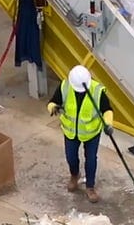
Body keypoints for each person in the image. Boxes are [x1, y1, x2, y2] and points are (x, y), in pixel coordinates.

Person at [47, 65, 114, 203]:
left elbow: (107, 110)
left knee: (91, 159)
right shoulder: (65, 86)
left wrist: (108, 124)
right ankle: (74, 175)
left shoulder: (97, 91)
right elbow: (53, 101)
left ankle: (90, 186)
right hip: (70, 132)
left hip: (91, 133)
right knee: (71, 157)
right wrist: (53, 107)